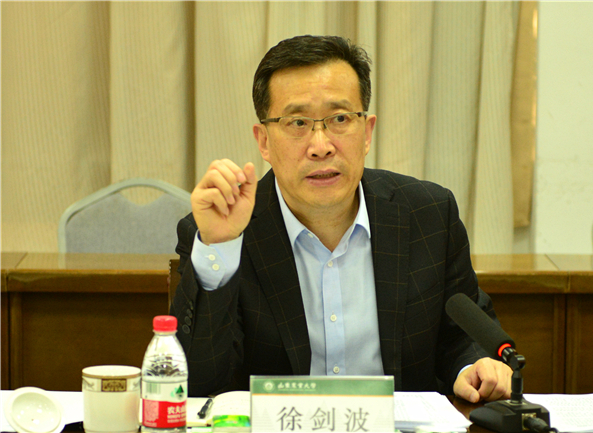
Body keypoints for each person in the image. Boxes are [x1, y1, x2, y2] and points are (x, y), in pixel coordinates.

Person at [170, 34, 512, 402]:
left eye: (339, 118)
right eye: (297, 122)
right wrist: (220, 250)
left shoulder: (428, 214)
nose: (321, 146)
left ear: (366, 132)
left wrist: (473, 366)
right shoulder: (225, 232)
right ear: (264, 141)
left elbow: (463, 334)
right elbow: (197, 384)